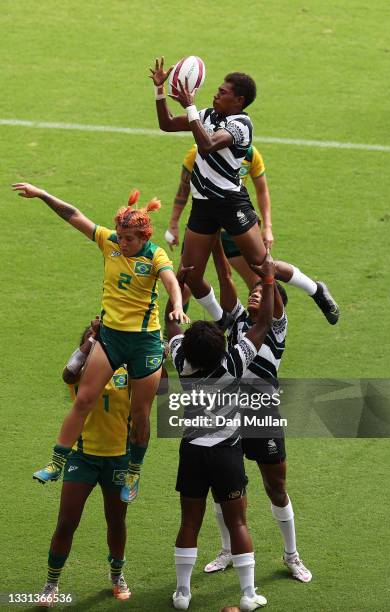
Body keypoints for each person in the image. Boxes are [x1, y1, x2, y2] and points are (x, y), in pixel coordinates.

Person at [12, 182, 188, 503]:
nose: (122, 242)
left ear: (144, 237)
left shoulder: (156, 255)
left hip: (145, 343)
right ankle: (57, 461)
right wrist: (42, 194)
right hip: (110, 338)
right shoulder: (109, 242)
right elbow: (74, 215)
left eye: (129, 238)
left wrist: (176, 305)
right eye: (120, 236)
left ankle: (133, 471)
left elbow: (170, 280)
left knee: (140, 414)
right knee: (84, 399)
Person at [165, 255, 277, 612]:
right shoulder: (233, 363)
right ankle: (247, 595)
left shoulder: (182, 362)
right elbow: (260, 326)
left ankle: (182, 593)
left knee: (190, 521)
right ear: (219, 346)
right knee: (238, 521)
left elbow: (172, 326)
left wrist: (179, 286)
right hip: (227, 451)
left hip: (193, 450)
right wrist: (269, 281)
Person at [203, 238, 312, 583]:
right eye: (254, 291)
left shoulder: (276, 328)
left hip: (262, 416)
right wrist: (213, 240)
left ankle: (291, 555)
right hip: (226, 417)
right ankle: (228, 551)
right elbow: (224, 276)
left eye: (262, 292)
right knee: (224, 489)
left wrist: (267, 278)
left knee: (276, 488)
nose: (255, 293)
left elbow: (269, 288)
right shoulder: (235, 322)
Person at [150, 57, 269, 324]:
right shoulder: (206, 116)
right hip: (203, 205)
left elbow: (207, 145)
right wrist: (160, 90)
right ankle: (224, 318)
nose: (216, 94)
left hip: (231, 204)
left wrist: (191, 107)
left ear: (238, 101)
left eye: (223, 92)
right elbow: (167, 123)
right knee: (190, 273)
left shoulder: (241, 125)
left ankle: (312, 288)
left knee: (262, 265)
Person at [166, 144, 340, 324]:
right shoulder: (196, 152)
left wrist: (268, 227)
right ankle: (176, 332)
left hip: (233, 225)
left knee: (261, 275)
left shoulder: (248, 153)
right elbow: (184, 188)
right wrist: (173, 224)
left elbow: (262, 190)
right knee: (187, 280)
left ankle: (315, 290)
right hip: (203, 223)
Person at [38, 320, 132, 606]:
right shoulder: (80, 374)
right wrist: (92, 339)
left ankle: (117, 575)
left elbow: (159, 386)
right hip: (83, 456)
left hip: (118, 458)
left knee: (116, 521)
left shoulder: (127, 371)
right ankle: (50, 584)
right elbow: (67, 373)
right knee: (67, 522)